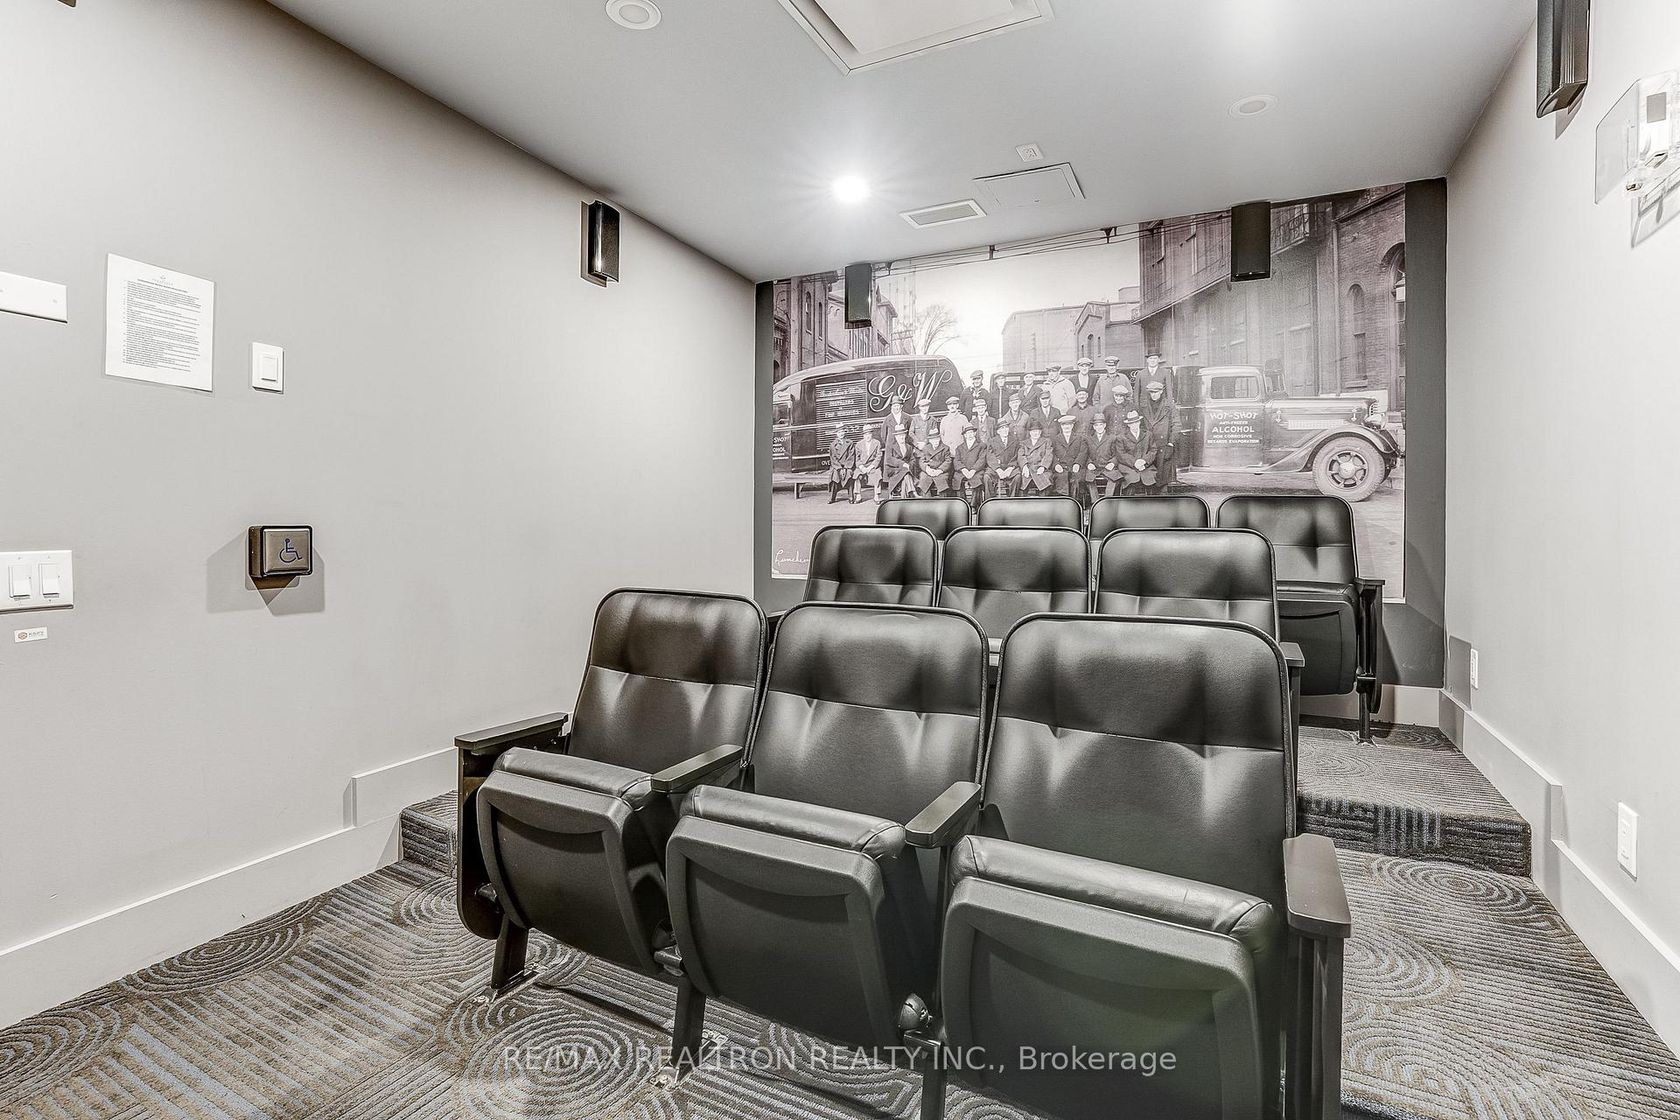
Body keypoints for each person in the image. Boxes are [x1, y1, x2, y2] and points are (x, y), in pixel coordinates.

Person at [1140, 379, 1178, 492]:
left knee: (1163, 478)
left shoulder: (1169, 406)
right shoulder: (1144, 406)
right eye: (1151, 392)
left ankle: (1163, 497)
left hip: (1163, 445)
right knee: (1149, 476)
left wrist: (1171, 443)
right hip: (1148, 446)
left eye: (1156, 392)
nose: (1154, 395)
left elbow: (1176, 425)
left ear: (1161, 391)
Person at [1113, 408, 1158, 495]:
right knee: (1132, 479)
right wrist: (1135, 463)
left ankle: (1151, 501)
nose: (1134, 425)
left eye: (1136, 422)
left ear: (1139, 422)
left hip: (1145, 466)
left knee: (1150, 479)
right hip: (1128, 466)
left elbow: (1153, 450)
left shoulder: (1148, 434)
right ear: (1128, 424)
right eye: (1131, 423)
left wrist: (1144, 461)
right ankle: (1129, 501)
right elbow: (1121, 454)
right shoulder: (1121, 437)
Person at [1085, 413, 1123, 503]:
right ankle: (1095, 503)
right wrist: (1089, 463)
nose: (1099, 427)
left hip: (1107, 466)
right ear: (1094, 427)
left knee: (1114, 478)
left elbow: (1117, 454)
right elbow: (1085, 454)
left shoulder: (1112, 438)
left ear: (1105, 425)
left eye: (1101, 425)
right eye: (1096, 425)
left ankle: (1107, 501)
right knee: (1089, 479)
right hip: (1095, 467)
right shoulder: (1089, 439)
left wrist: (1112, 463)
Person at [1050, 412, 1085, 500]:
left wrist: (1077, 463)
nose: (1066, 427)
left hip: (1075, 466)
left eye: (1069, 424)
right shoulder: (1055, 439)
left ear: (1072, 425)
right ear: (1061, 426)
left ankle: (1075, 501)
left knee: (1077, 478)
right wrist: (1056, 465)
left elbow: (1083, 452)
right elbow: (1052, 454)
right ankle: (1063, 501)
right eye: (1064, 424)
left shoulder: (1079, 438)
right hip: (1061, 466)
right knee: (1061, 477)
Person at [954, 422, 989, 505]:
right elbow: (956, 461)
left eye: (971, 432)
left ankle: (974, 505)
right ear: (965, 435)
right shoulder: (959, 447)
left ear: (974, 433)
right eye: (967, 433)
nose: (969, 435)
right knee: (957, 479)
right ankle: (962, 504)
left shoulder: (982, 445)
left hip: (976, 471)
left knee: (977, 480)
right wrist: (964, 470)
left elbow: (982, 460)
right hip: (963, 471)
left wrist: (973, 470)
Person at [1017, 418, 1055, 494]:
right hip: (1028, 468)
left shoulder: (1046, 441)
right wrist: (1024, 466)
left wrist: (1043, 467)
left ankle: (1043, 500)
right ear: (1030, 432)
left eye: (1037, 431)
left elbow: (1048, 455)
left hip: (1041, 468)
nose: (1035, 433)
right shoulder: (1024, 443)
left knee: (1046, 481)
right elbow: (1021, 455)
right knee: (1022, 481)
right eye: (1033, 431)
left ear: (1040, 432)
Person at [987, 418, 1021, 499]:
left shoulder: (1015, 440)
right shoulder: (992, 441)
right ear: (998, 431)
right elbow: (990, 456)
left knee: (1018, 476)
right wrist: (998, 469)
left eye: (1006, 427)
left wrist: (1010, 468)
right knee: (987, 477)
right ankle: (990, 501)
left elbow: (1017, 455)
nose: (1005, 430)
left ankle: (1012, 500)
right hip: (996, 468)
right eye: (1002, 428)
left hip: (1010, 467)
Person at [883, 421, 917, 498]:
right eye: (899, 436)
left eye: (902, 435)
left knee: (906, 473)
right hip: (893, 469)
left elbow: (913, 459)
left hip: (906, 469)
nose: (901, 437)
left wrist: (909, 465)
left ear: (905, 435)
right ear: (896, 437)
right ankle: (913, 492)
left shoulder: (909, 447)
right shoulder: (891, 446)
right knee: (905, 471)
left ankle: (904, 495)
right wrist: (902, 464)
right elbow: (889, 459)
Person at [851, 423, 883, 504]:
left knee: (878, 474)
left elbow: (878, 457)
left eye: (869, 434)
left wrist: (871, 467)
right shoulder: (859, 444)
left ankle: (876, 495)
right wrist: (862, 467)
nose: (867, 436)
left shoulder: (877, 443)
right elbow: (857, 459)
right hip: (862, 466)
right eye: (865, 434)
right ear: (863, 435)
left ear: (872, 434)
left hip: (872, 465)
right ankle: (858, 495)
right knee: (857, 475)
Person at [915, 430, 952, 495]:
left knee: (942, 482)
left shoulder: (945, 448)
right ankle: (926, 499)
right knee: (924, 479)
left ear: (939, 439)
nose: (935, 442)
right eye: (933, 440)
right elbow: (921, 461)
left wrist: (939, 470)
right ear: (930, 441)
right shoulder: (926, 448)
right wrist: (927, 469)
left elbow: (948, 461)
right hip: (928, 471)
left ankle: (943, 499)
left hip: (940, 471)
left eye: (937, 439)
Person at [827, 426, 855, 504]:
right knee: (835, 475)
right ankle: (832, 497)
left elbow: (851, 456)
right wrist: (839, 468)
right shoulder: (833, 444)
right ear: (836, 434)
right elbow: (833, 458)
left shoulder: (850, 443)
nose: (841, 434)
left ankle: (851, 496)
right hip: (836, 466)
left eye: (842, 431)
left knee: (849, 474)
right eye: (839, 432)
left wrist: (846, 467)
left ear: (845, 432)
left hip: (847, 466)